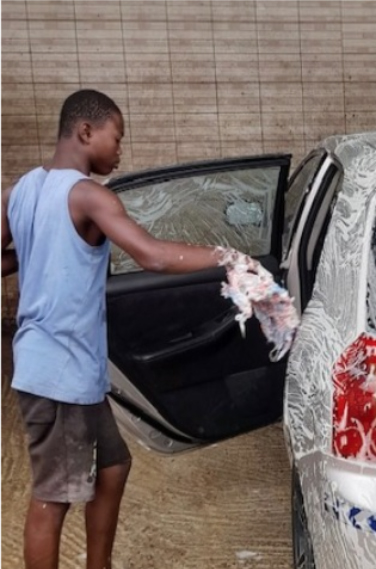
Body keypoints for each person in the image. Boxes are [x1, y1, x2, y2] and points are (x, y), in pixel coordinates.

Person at [1, 89, 230, 569]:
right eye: (117, 138)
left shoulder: (20, 191)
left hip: (62, 371)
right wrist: (230, 258)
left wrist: (37, 255)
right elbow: (151, 255)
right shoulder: (89, 196)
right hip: (60, 375)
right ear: (86, 132)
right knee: (53, 497)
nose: (121, 151)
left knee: (113, 465)